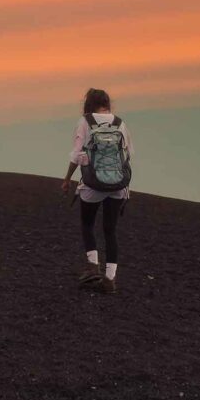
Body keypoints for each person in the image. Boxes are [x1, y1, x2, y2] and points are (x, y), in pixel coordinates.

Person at [62, 88, 132, 294]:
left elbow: (77, 155)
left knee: (87, 223)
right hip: (118, 185)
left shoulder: (85, 122)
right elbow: (128, 155)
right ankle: (110, 279)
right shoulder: (120, 123)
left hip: (93, 184)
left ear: (88, 104)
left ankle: (93, 266)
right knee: (110, 231)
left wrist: (67, 179)